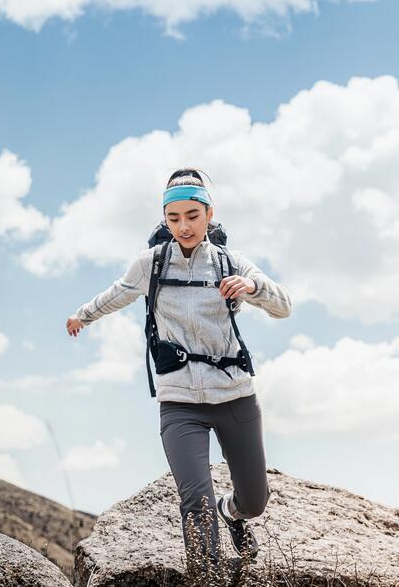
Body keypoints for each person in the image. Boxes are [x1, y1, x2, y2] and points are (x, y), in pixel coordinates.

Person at [66, 168, 292, 569]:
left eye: (192, 215)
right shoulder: (151, 264)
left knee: (255, 501)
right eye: (173, 218)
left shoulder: (229, 263)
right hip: (179, 402)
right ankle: (206, 577)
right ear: (164, 219)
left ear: (209, 213)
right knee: (195, 499)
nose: (183, 226)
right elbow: (116, 293)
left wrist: (252, 288)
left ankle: (232, 512)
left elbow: (283, 306)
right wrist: (82, 316)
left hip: (235, 395)